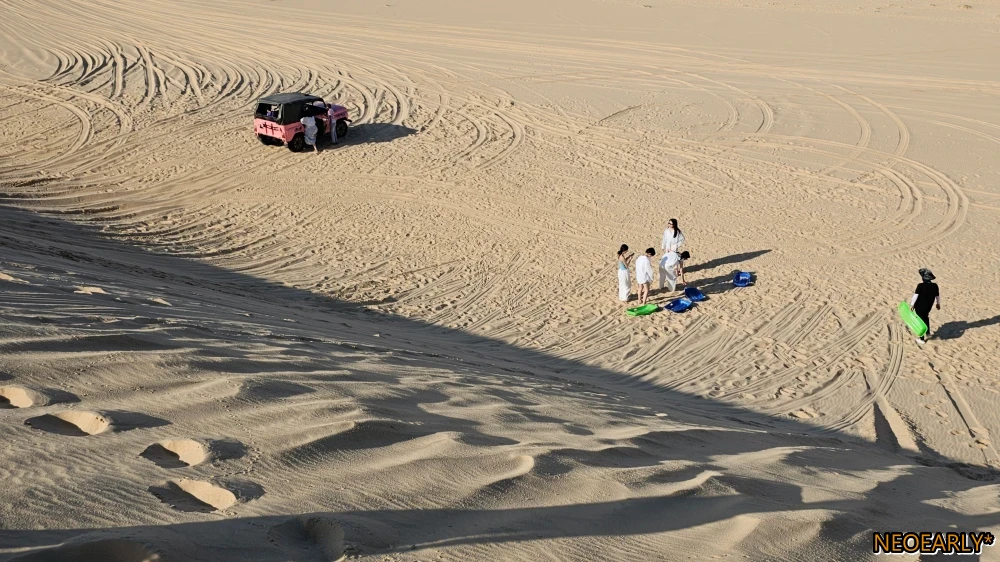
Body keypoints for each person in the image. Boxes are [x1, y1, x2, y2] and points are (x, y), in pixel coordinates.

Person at [910, 268, 940, 345]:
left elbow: (915, 296)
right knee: (926, 317)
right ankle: (928, 332)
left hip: (919, 307)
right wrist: (938, 304)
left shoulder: (920, 286)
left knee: (921, 321)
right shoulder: (935, 286)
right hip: (928, 306)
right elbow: (937, 296)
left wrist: (912, 305)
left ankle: (921, 339)